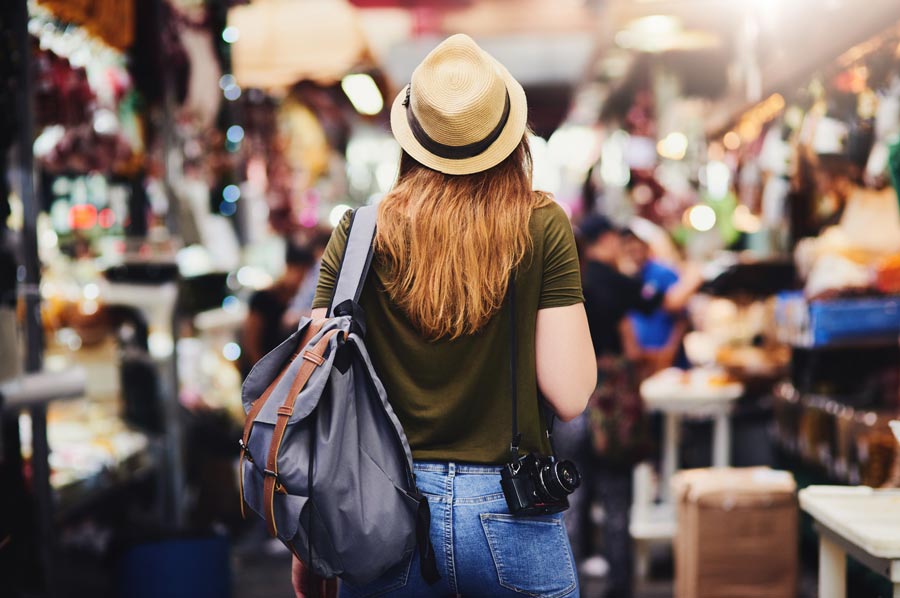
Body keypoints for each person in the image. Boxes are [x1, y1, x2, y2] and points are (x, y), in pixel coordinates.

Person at [292, 34, 596, 597]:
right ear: (509, 137)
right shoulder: (542, 225)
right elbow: (571, 392)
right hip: (512, 510)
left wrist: (311, 529)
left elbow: (316, 391)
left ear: (413, 138)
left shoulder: (359, 233)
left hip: (378, 508)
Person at [575, 215, 701, 598]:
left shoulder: (571, 279)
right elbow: (671, 302)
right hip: (610, 406)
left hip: (572, 404)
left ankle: (569, 586)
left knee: (573, 501)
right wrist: (695, 273)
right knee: (616, 499)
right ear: (606, 239)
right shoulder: (612, 280)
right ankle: (619, 587)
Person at [240, 243, 315, 379]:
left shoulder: (296, 302)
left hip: (281, 374)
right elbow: (251, 341)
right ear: (288, 268)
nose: (301, 278)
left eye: (305, 273)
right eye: (299, 271)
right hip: (260, 372)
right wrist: (261, 374)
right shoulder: (263, 298)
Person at [621, 229, 687, 371]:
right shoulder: (628, 278)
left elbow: (681, 316)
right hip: (643, 358)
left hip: (668, 356)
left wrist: (670, 350)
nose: (632, 251)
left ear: (645, 246)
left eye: (636, 246)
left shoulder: (663, 272)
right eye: (628, 247)